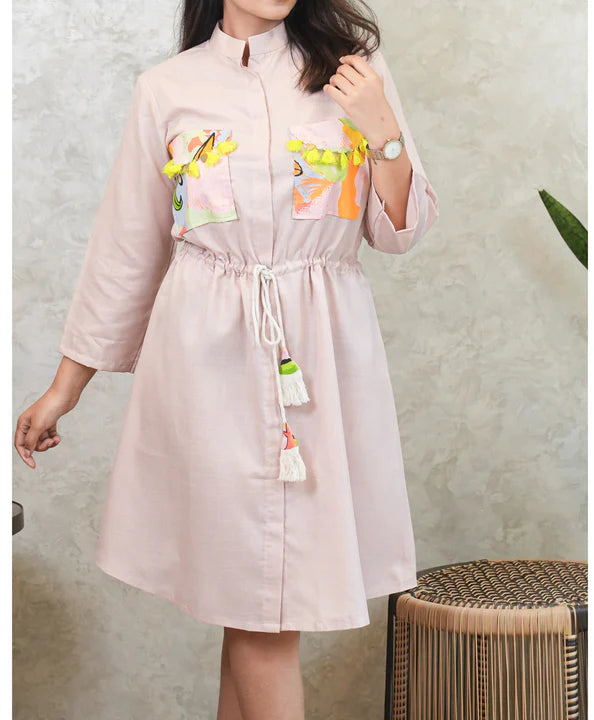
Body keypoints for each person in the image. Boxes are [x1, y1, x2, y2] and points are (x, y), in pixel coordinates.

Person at [14, 1, 439, 718]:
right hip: (206, 371)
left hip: (321, 369)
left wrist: (384, 131)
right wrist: (66, 387)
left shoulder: (354, 73)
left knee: (260, 606)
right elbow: (128, 247)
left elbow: (400, 229)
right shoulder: (167, 88)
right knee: (256, 603)